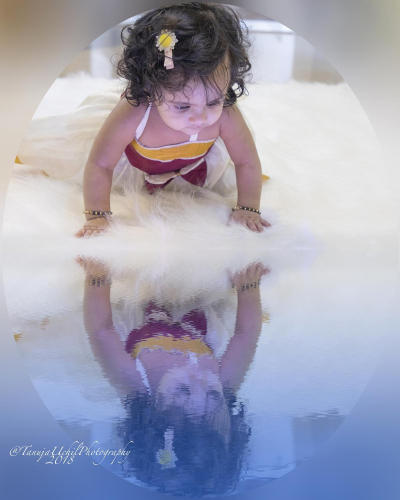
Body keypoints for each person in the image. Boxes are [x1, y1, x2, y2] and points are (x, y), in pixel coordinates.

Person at [74, 2, 271, 238]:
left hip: (195, 169)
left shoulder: (226, 112)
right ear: (150, 87)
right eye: (182, 106)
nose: (201, 118)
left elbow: (246, 160)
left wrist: (248, 209)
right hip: (134, 169)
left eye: (213, 102)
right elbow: (101, 164)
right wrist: (97, 216)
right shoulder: (135, 111)